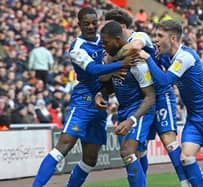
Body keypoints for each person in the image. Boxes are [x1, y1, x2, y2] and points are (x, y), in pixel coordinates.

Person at [128, 20, 203, 187]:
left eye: (160, 36)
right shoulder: (166, 56)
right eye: (155, 35)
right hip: (194, 117)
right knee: (186, 158)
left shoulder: (186, 57)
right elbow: (148, 50)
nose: (156, 39)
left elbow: (164, 81)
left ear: (172, 38)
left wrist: (148, 57)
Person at [32, 7, 127, 187]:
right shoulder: (76, 48)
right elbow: (93, 69)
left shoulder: (103, 40)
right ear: (79, 25)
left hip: (102, 101)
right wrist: (121, 64)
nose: (91, 27)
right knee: (64, 145)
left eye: (94, 23)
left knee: (90, 159)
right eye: (86, 24)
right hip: (84, 99)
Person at [103, 9, 189, 186]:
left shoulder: (139, 36)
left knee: (168, 140)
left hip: (159, 93)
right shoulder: (115, 48)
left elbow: (133, 48)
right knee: (139, 151)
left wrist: (113, 60)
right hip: (140, 97)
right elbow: (105, 70)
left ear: (121, 27)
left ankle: (186, 181)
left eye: (109, 26)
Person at [98, 21, 156, 187]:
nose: (103, 46)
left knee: (127, 152)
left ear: (117, 40)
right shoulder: (113, 60)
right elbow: (105, 83)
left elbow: (150, 97)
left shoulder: (136, 61)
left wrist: (132, 119)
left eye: (106, 42)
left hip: (140, 109)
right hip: (124, 109)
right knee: (136, 153)